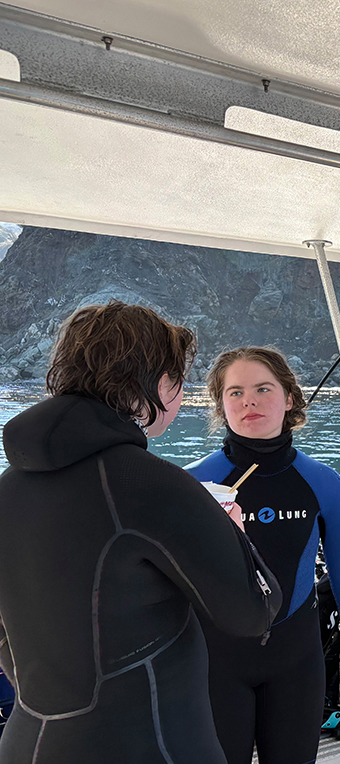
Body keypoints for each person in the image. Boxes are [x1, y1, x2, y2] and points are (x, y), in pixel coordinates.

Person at [0, 302, 280, 764]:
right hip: (150, 745)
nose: (181, 393)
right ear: (157, 383)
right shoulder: (149, 482)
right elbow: (251, 612)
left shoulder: (8, 486)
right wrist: (233, 534)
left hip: (28, 742)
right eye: (178, 380)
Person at [186, 347, 340, 764]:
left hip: (295, 663)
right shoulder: (194, 483)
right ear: (220, 404)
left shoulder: (322, 482)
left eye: (263, 389)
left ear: (289, 398)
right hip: (216, 664)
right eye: (235, 392)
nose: (248, 401)